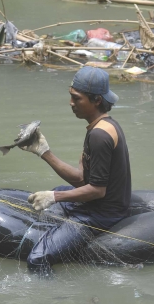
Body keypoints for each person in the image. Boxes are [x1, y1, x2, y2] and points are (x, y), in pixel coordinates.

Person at [19, 66, 131, 275]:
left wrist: (54, 196)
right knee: (56, 192)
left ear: (97, 100)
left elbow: (97, 190)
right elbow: (81, 179)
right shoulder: (100, 126)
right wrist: (44, 152)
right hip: (96, 204)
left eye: (77, 98)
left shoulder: (100, 136)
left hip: (101, 214)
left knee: (37, 259)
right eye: (71, 96)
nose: (71, 103)